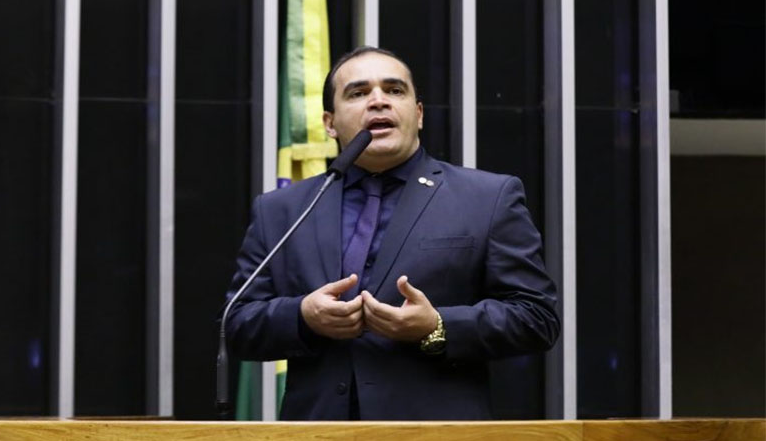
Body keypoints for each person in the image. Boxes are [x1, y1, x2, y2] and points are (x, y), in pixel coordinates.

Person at [224, 46, 560, 420]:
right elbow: (237, 323)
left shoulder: (487, 198)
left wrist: (437, 326)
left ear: (418, 114)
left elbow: (537, 318)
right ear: (330, 123)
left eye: (394, 90)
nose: (378, 101)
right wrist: (303, 316)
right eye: (358, 93)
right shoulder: (283, 209)